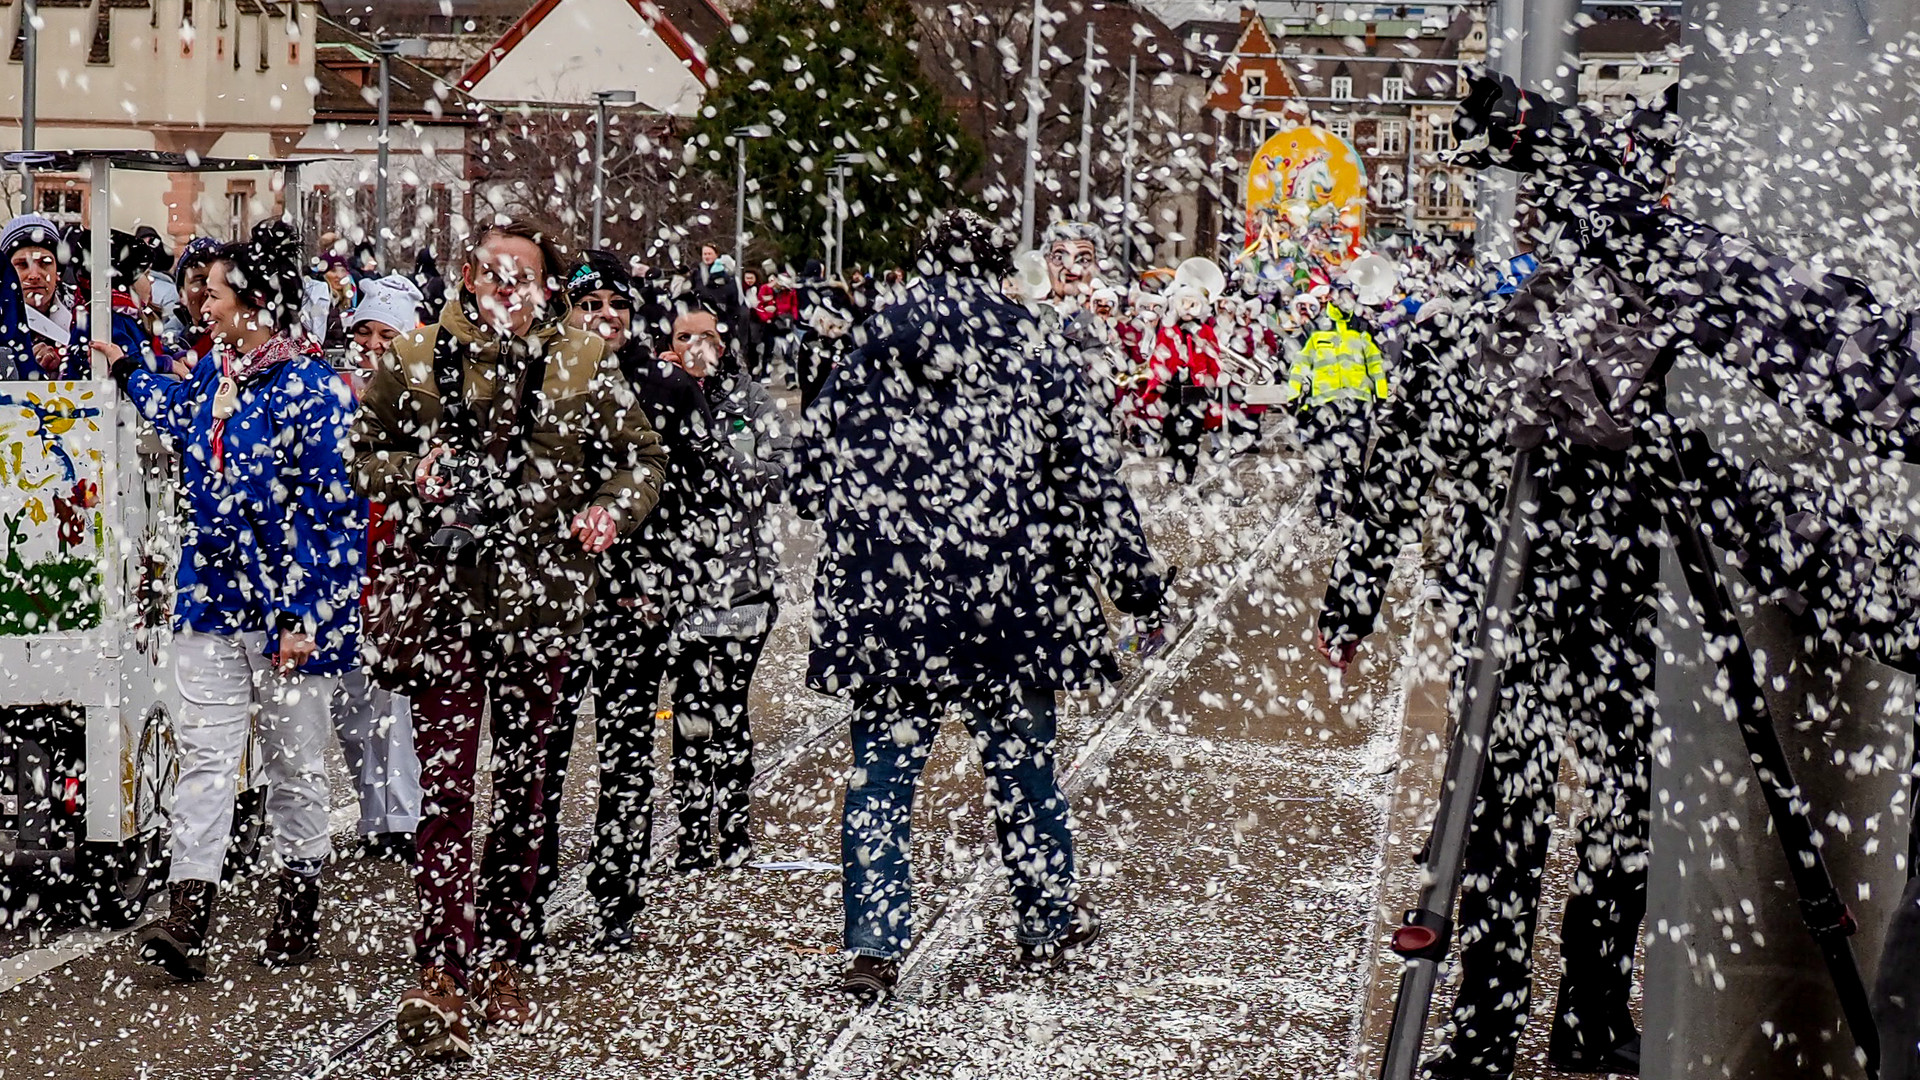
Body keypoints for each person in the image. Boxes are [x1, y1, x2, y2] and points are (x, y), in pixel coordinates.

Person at [794, 210, 1167, 998]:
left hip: (894, 603)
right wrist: (1133, 581)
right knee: (1022, 766)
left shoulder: (871, 341)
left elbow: (809, 470)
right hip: (1009, 598)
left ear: (920, 259)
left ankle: (872, 945)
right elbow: (1087, 481)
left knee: (883, 773)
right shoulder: (1036, 345)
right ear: (1005, 267)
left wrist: (883, 520)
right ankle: (1046, 919)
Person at [349, 219, 668, 1060]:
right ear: (466, 274)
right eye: (495, 274)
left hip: (543, 609)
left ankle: (505, 956)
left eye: (525, 277)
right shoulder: (415, 358)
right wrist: (409, 475)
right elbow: (362, 453)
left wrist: (609, 511)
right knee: (449, 799)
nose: (509, 289)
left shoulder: (583, 364)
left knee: (527, 794)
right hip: (445, 607)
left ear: (547, 287)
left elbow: (642, 459)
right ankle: (441, 966)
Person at [107, 222, 362, 982]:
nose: (201, 303)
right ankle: (190, 914)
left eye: (213, 292)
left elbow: (332, 510)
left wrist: (303, 614)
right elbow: (181, 417)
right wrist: (128, 372)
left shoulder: (311, 389)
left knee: (293, 764)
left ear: (254, 300)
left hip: (287, 614)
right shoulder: (217, 376)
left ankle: (298, 905)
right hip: (210, 602)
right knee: (207, 759)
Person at [529, 250, 724, 953]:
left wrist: (663, 581)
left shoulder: (666, 385)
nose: (606, 317)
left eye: (618, 306)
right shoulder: (542, 374)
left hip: (632, 601)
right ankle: (530, 884)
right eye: (592, 306)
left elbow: (704, 496)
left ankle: (617, 895)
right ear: (569, 311)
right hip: (551, 598)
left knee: (625, 749)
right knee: (541, 751)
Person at [657, 304, 790, 872]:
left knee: (729, 711)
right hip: (682, 586)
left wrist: (727, 469)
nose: (694, 346)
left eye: (705, 336)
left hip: (744, 588)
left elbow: (783, 468)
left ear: (723, 342)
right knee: (690, 711)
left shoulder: (750, 398)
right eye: (683, 337)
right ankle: (691, 833)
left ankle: (734, 829)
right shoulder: (656, 395)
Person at [332, 274, 428, 862]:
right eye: (363, 331)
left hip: (401, 561)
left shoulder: (424, 391)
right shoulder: (336, 391)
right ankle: (376, 814)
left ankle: (405, 816)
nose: (371, 343)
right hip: (346, 563)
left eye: (383, 333)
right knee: (353, 703)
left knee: (398, 700)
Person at [0, 215, 159, 380]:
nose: (34, 275)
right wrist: (21, 365)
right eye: (22, 265)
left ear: (58, 272)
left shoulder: (91, 313)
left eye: (45, 262)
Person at [1286, 294, 1387, 520]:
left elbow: (1375, 363)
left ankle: (1351, 512)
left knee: (1354, 464)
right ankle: (1326, 514)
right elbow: (1300, 364)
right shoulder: (1317, 328)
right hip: (1324, 408)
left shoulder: (1362, 328)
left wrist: (1380, 395)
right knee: (1325, 464)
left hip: (1357, 407)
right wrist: (1293, 395)